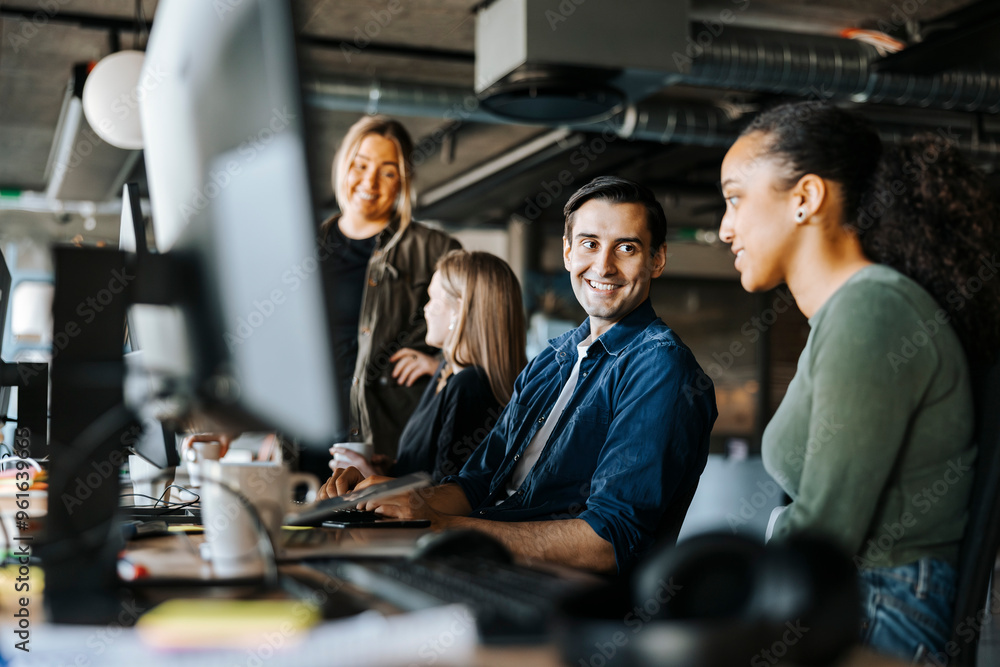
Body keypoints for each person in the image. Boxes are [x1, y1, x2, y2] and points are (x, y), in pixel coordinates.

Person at [717, 101, 1000, 663]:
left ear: (806, 198)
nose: (725, 228)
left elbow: (826, 531)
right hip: (862, 598)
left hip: (880, 609)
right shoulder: (846, 313)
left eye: (735, 198)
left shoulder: (871, 309)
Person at [350, 177, 718, 574]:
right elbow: (475, 483)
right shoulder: (551, 359)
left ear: (657, 260)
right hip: (488, 566)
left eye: (626, 248)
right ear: (567, 252)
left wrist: (445, 529)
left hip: (567, 603)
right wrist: (389, 498)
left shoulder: (659, 366)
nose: (604, 266)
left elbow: (610, 540)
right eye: (589, 244)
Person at [311, 115, 461, 477]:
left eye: (388, 171)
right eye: (360, 165)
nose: (370, 182)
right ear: (343, 166)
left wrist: (441, 363)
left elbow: (483, 336)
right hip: (308, 439)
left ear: (403, 181)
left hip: (387, 444)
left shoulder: (435, 249)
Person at [321, 249, 527, 490]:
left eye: (433, 300)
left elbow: (446, 495)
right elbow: (432, 468)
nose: (426, 310)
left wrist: (371, 479)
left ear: (458, 311)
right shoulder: (447, 374)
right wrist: (389, 468)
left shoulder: (470, 385)